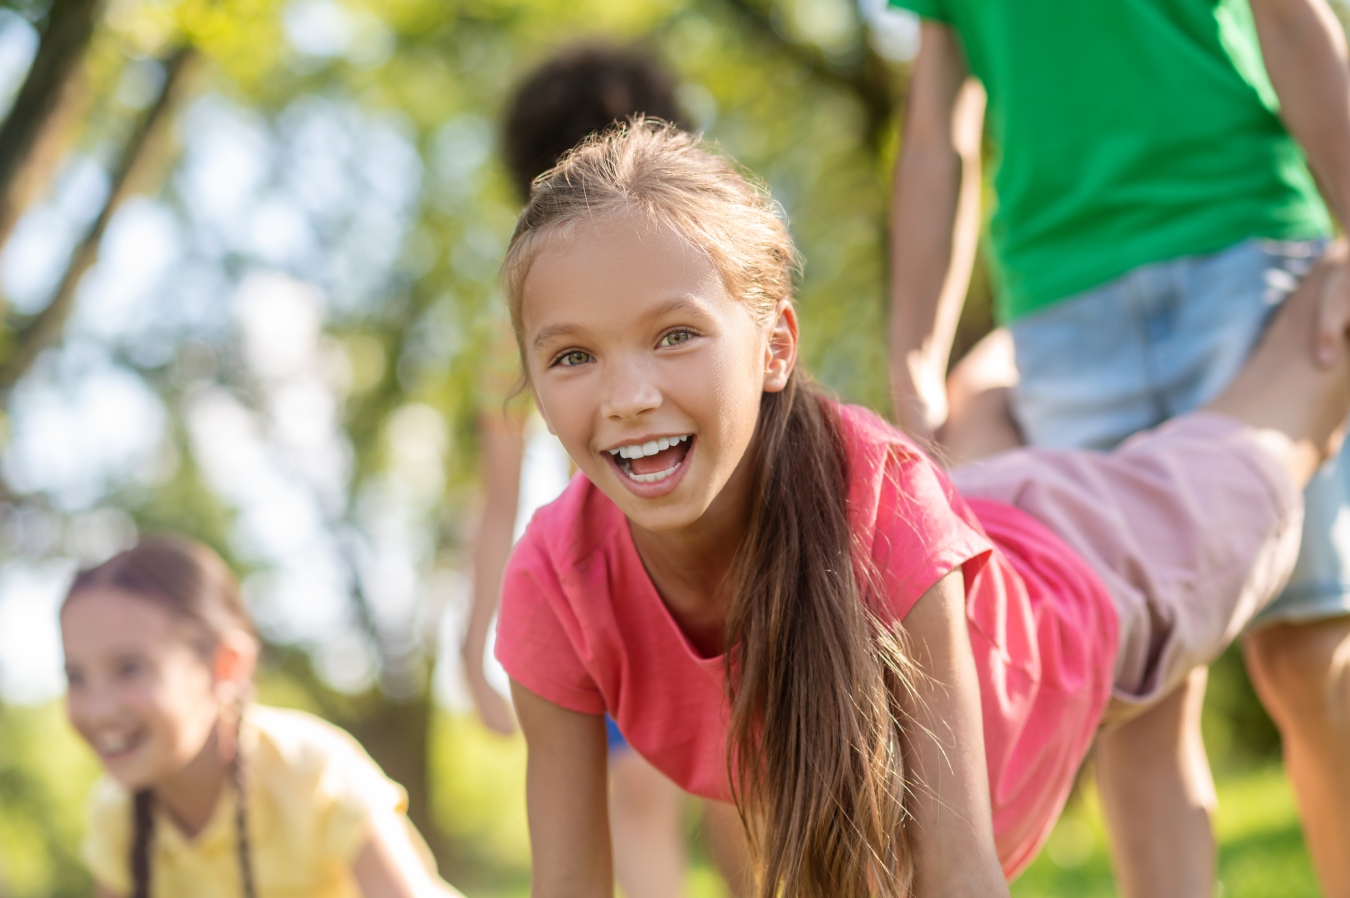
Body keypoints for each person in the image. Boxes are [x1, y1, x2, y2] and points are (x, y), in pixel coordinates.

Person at [490, 120, 1350, 897]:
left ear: (775, 347)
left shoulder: (875, 502)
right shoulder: (556, 583)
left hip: (1086, 582)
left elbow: (959, 875)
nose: (629, 396)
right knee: (969, 451)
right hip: (960, 512)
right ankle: (994, 390)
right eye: (572, 356)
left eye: (675, 335)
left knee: (1288, 405)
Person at [884, 2, 1350, 892]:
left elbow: (1293, 21)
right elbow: (937, 130)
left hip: (1247, 251)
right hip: (1059, 308)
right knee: (1132, 692)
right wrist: (914, 355)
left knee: (1308, 654)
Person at [461, 44, 750, 897]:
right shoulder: (519, 337)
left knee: (738, 795)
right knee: (649, 794)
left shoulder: (720, 279)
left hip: (730, 576)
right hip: (620, 593)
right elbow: (498, 493)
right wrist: (475, 639)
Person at [61, 534, 463, 898]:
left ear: (225, 666)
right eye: (75, 676)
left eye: (129, 668)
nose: (99, 708)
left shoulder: (312, 771)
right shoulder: (118, 816)